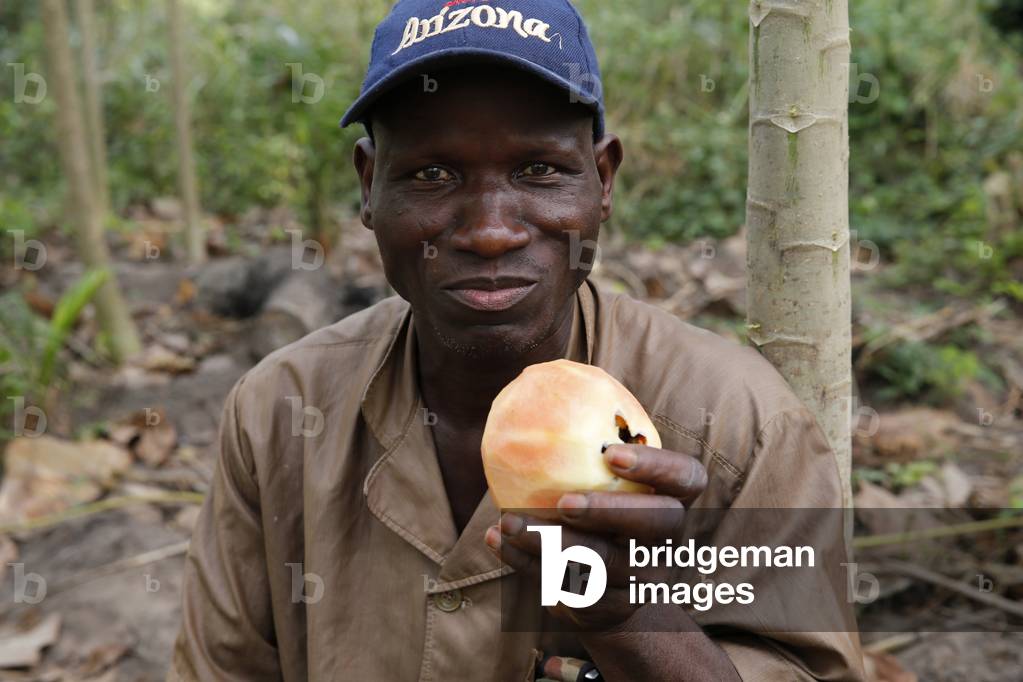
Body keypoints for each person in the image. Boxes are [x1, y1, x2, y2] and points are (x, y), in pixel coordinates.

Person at [169, 1, 864, 679]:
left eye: (539, 170)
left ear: (603, 180)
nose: (490, 231)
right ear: (368, 186)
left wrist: (626, 619)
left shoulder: (738, 425)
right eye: (432, 174)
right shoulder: (278, 414)